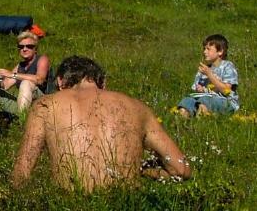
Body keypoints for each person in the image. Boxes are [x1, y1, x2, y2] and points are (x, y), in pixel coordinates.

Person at [12, 55, 191, 191]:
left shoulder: (45, 105)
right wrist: (142, 170)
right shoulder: (137, 107)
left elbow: (21, 175)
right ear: (103, 82)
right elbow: (182, 169)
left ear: (60, 81)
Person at [176, 34, 240, 118]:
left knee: (205, 100)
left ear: (220, 51)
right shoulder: (204, 69)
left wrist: (209, 75)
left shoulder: (227, 66)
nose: (204, 52)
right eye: (204, 49)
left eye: (208, 49)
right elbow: (196, 90)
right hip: (204, 98)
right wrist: (200, 89)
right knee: (187, 100)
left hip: (226, 102)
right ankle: (183, 121)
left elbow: (226, 90)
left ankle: (202, 120)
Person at [0, 30, 51, 114]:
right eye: (21, 47)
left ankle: (22, 120)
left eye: (29, 46)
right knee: (1, 95)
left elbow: (40, 79)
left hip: (42, 101)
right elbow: (5, 85)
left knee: (26, 83)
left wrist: (12, 74)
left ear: (35, 49)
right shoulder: (20, 66)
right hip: (25, 103)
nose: (24, 49)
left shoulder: (42, 59)